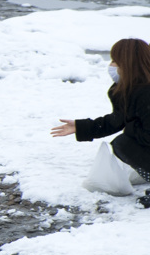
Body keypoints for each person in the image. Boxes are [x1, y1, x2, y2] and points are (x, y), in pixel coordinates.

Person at [52, 37, 150, 208]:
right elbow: (117, 120)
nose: (111, 66)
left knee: (125, 143)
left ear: (127, 64)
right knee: (124, 143)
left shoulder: (146, 93)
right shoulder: (128, 89)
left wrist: (131, 127)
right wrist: (81, 127)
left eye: (115, 61)